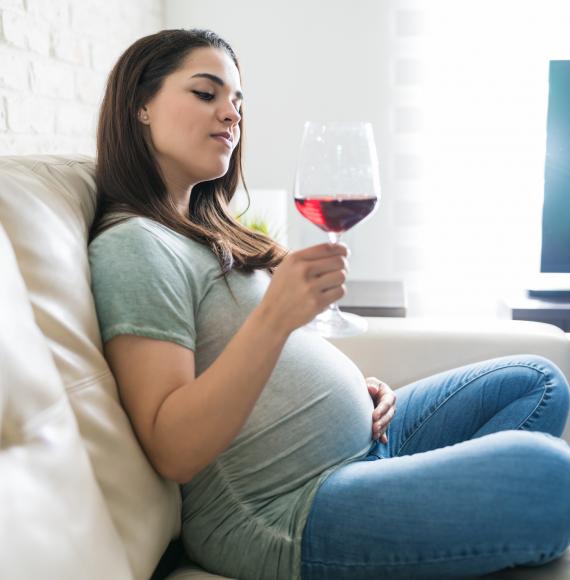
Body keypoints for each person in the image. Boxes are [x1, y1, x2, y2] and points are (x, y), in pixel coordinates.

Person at [88, 28, 570, 580]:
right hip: (287, 509)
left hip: (364, 444)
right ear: (140, 106)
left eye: (237, 102)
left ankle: (426, 518)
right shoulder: (133, 245)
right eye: (206, 94)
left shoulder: (203, 230)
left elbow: (259, 366)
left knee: (538, 380)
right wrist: (275, 318)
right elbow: (171, 446)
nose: (231, 114)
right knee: (549, 476)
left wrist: (350, 384)